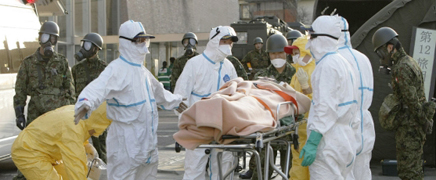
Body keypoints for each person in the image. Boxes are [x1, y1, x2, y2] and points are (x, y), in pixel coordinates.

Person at [73, 20, 185, 180]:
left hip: (148, 143)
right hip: (125, 144)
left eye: (144, 40)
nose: (143, 44)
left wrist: (175, 101)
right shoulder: (116, 69)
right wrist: (85, 103)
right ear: (126, 42)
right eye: (139, 40)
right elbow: (98, 87)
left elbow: (159, 92)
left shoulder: (143, 72)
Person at [13, 21, 76, 180]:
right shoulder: (28, 63)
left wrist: (69, 115)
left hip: (56, 117)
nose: (49, 42)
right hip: (36, 115)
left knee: (57, 152)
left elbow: (69, 89)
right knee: (30, 148)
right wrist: (19, 113)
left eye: (53, 39)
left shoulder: (61, 62)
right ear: (40, 38)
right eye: (46, 37)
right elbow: (20, 89)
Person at [174, 25, 238, 180]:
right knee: (194, 169)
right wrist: (186, 123)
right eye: (225, 41)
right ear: (215, 41)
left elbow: (236, 96)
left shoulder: (229, 67)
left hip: (223, 129)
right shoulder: (195, 64)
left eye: (230, 42)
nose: (228, 45)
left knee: (224, 169)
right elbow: (180, 96)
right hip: (198, 128)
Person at [299, 15, 358, 179]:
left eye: (312, 36)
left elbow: (326, 108)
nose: (309, 42)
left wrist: (313, 142)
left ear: (321, 38)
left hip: (328, 141)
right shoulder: (341, 61)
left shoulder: (327, 66)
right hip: (344, 137)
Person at [372, 27, 429, 180]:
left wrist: (424, 121)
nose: (382, 57)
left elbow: (412, 101)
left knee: (409, 173)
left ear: (390, 47)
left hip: (410, 128)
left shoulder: (401, 67)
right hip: (413, 126)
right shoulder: (409, 61)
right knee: (413, 171)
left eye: (381, 52)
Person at [241, 34, 296, 180]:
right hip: (267, 134)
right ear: (268, 55)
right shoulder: (261, 75)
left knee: (289, 173)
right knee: (261, 173)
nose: (277, 56)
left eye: (280, 52)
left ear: (286, 53)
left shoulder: (295, 74)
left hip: (289, 132)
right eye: (273, 53)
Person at [11, 103, 111, 180]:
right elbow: (75, 166)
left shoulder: (79, 113)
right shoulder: (73, 126)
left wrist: (86, 146)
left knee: (67, 175)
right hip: (28, 151)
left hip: (46, 151)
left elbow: (65, 133)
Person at [335, 16, 375, 180]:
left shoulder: (334, 59)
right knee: (363, 169)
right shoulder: (363, 58)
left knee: (343, 171)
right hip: (365, 124)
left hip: (343, 125)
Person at [71, 32, 108, 163]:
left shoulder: (105, 69)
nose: (84, 47)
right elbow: (71, 91)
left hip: (98, 116)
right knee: (77, 148)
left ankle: (104, 175)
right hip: (80, 116)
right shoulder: (76, 69)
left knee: (101, 150)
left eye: (88, 45)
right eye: (84, 44)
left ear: (96, 49)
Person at [283, 35, 315, 180]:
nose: (295, 57)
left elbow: (320, 101)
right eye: (293, 54)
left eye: (297, 53)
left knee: (313, 168)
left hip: (312, 128)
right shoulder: (297, 74)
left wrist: (306, 88)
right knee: (298, 167)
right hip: (299, 128)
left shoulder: (316, 70)